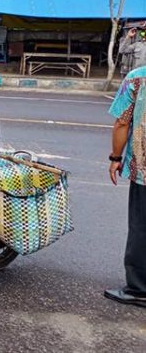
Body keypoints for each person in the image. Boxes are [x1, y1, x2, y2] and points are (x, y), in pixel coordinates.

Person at [104, 64, 146, 308]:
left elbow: (122, 122)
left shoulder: (138, 78)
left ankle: (139, 288)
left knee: (142, 227)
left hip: (143, 168)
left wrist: (115, 158)